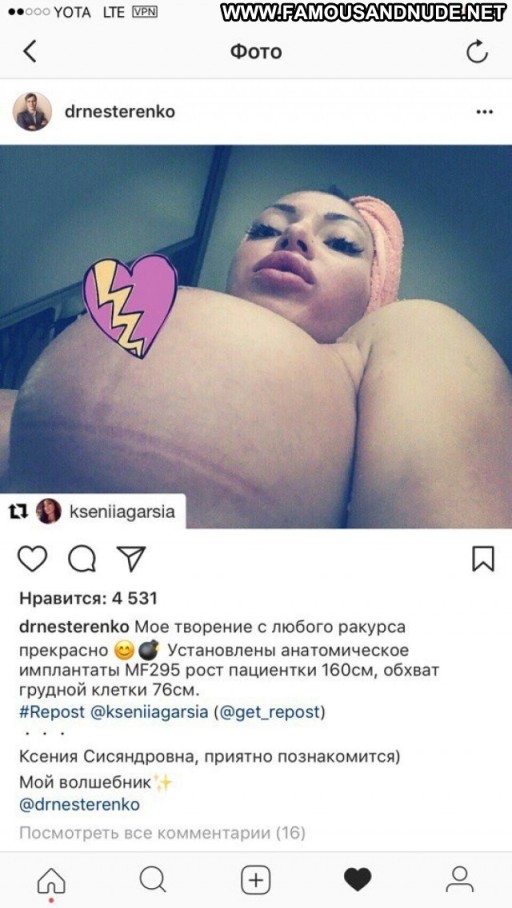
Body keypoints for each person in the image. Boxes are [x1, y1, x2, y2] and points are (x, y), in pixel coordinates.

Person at [4, 190, 512, 528]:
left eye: (341, 242)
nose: (293, 236)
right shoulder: (159, 306)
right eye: (266, 229)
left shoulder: (405, 332)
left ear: (377, 293)